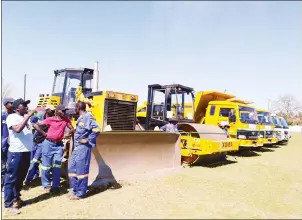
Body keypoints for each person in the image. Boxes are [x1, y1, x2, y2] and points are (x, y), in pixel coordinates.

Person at [4, 98, 36, 214]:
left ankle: (17, 198)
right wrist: (28, 116)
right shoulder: (12, 117)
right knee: (12, 177)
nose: (26, 107)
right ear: (17, 108)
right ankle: (9, 203)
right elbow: (17, 129)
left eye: (27, 105)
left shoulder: (24, 118)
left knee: (21, 177)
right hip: (16, 152)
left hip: (26, 151)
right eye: (24, 105)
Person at [34, 104, 74, 193]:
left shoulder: (66, 120)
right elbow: (36, 125)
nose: (65, 112)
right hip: (48, 144)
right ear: (58, 112)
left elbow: (72, 128)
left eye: (65, 111)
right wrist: (44, 134)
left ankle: (56, 186)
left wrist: (68, 133)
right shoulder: (50, 119)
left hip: (58, 145)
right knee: (46, 166)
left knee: (57, 166)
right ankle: (46, 185)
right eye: (63, 111)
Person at [68, 101, 100, 200]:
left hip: (83, 147)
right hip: (77, 147)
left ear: (78, 108)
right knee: (72, 168)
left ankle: (80, 193)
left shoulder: (88, 117)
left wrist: (88, 139)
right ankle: (75, 190)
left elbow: (97, 129)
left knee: (82, 171)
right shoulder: (80, 118)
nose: (74, 109)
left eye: (75, 107)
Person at [24, 105, 55, 188]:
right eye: (51, 110)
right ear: (47, 110)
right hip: (35, 140)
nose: (52, 112)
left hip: (43, 142)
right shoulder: (40, 116)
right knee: (33, 161)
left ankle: (29, 180)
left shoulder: (53, 119)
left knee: (37, 161)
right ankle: (32, 178)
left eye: (53, 110)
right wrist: (43, 133)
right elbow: (33, 124)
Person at [1, 97, 15, 191]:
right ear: (6, 105)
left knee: (11, 165)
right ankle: (2, 184)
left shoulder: (16, 116)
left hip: (13, 145)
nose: (13, 105)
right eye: (11, 103)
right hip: (3, 144)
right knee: (3, 164)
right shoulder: (2, 116)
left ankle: (9, 184)